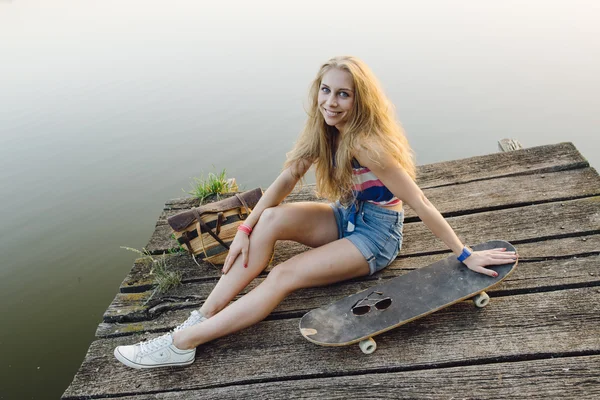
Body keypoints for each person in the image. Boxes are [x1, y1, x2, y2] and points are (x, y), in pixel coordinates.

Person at [114, 56, 518, 369]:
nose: (331, 101)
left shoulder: (369, 144)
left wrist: (465, 255)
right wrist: (246, 228)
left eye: (343, 94)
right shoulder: (323, 128)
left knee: (284, 274)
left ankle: (182, 345)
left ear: (361, 100)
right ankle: (200, 315)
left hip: (375, 237)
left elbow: (420, 202)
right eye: (326, 90)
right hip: (345, 216)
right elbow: (287, 178)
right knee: (269, 219)